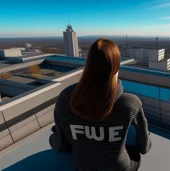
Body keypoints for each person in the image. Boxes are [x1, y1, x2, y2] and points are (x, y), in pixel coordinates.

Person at [49, 38, 152, 171]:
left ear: (88, 65)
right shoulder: (131, 103)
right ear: (116, 67)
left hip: (82, 167)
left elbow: (60, 145)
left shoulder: (65, 100)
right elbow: (144, 147)